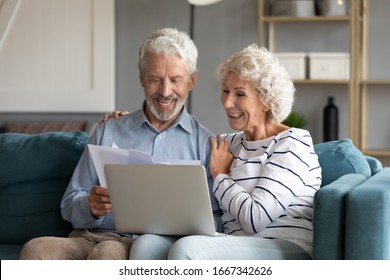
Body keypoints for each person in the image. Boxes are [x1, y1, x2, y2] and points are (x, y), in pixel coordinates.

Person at [99, 45, 322, 259]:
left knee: (188, 250)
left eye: (240, 94)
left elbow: (256, 219)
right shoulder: (228, 143)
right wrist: (125, 123)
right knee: (147, 245)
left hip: (283, 246)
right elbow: (177, 146)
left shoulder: (292, 144)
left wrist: (221, 176)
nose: (227, 102)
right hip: (228, 242)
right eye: (225, 91)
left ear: (266, 100)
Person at [19, 27, 221, 260]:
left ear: (192, 80)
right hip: (89, 236)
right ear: (142, 79)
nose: (165, 91)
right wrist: (90, 206)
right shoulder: (109, 130)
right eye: (155, 79)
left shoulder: (205, 144)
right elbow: (70, 202)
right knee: (36, 249)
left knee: (107, 253)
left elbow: (215, 219)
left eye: (176, 80)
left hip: (144, 246)